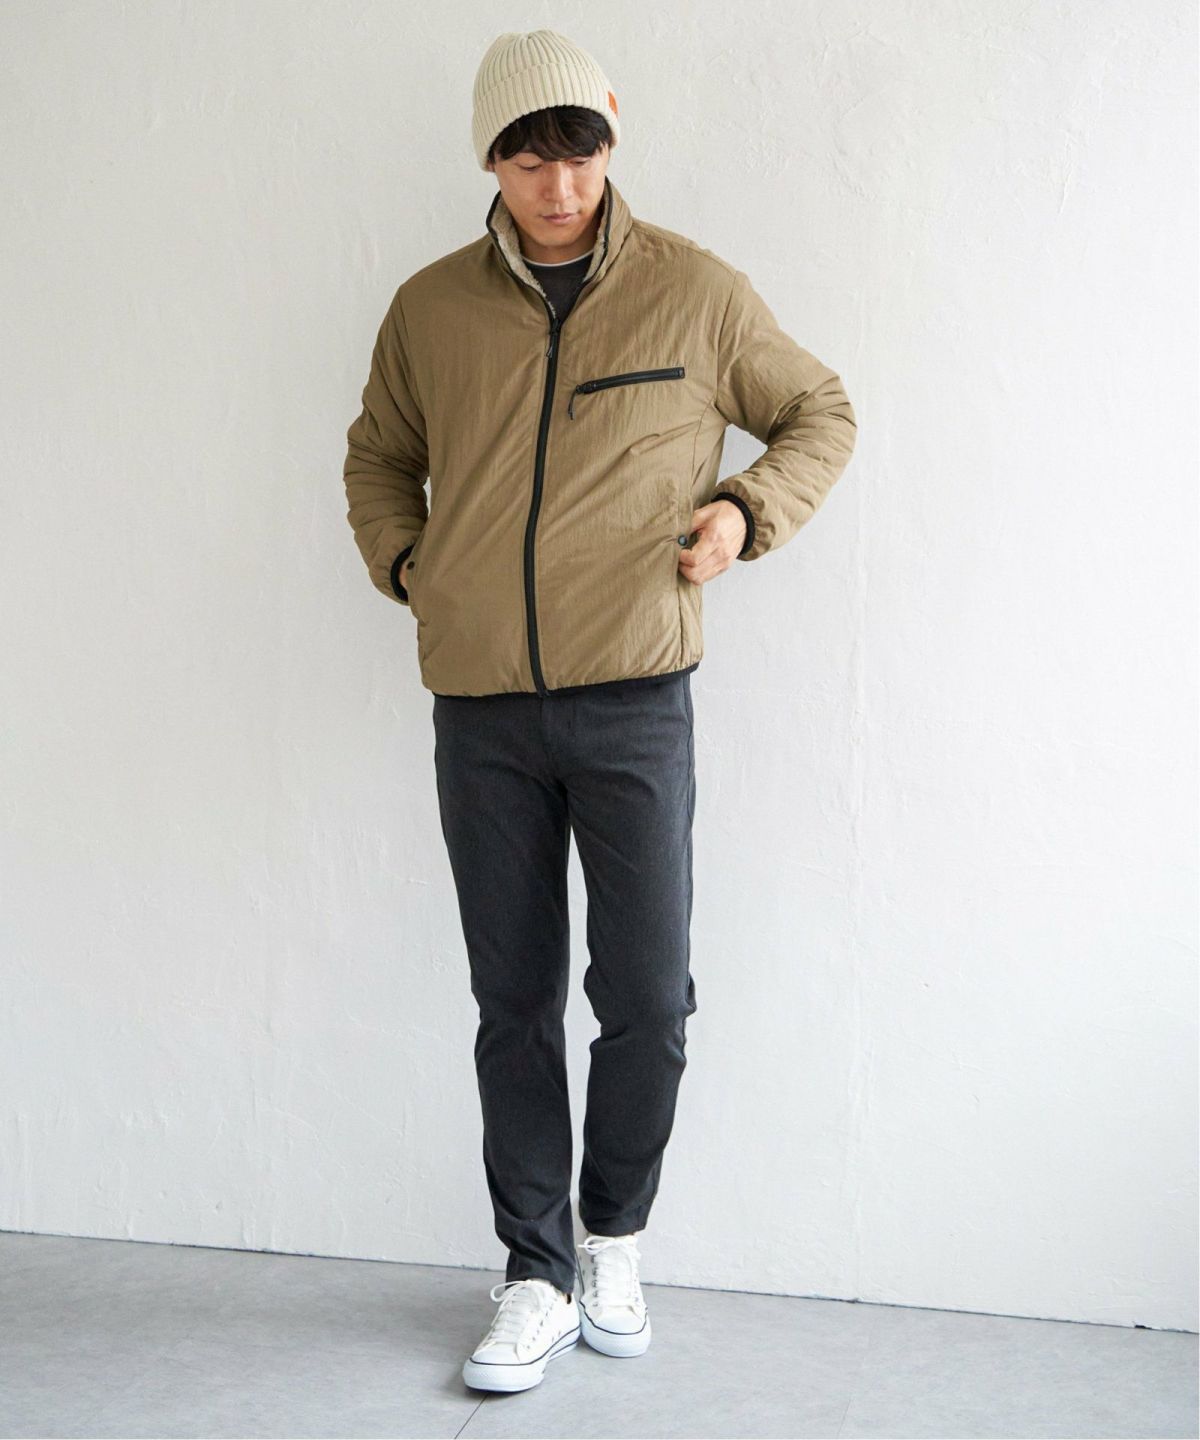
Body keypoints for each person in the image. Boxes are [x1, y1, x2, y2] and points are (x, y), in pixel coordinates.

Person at [342, 28, 857, 1394]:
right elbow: (380, 455)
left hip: (635, 699)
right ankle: (534, 1270)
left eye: (577, 152)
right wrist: (412, 567)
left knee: (646, 998)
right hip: (484, 711)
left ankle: (612, 1237)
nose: (558, 184)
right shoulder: (430, 309)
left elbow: (819, 412)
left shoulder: (695, 291)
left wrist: (744, 511)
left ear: (611, 139)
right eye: (527, 157)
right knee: (511, 1000)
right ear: (491, 160)